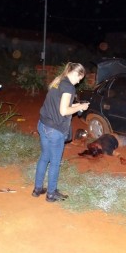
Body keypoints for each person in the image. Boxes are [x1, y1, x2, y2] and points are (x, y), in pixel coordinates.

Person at [32, 62, 90, 202]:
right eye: (80, 79)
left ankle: (37, 189)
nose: (79, 82)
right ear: (76, 74)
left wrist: (75, 105)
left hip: (43, 124)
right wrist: (80, 106)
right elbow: (64, 111)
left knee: (45, 156)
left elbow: (59, 103)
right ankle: (51, 194)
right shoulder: (69, 87)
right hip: (54, 129)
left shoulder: (59, 81)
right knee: (55, 162)